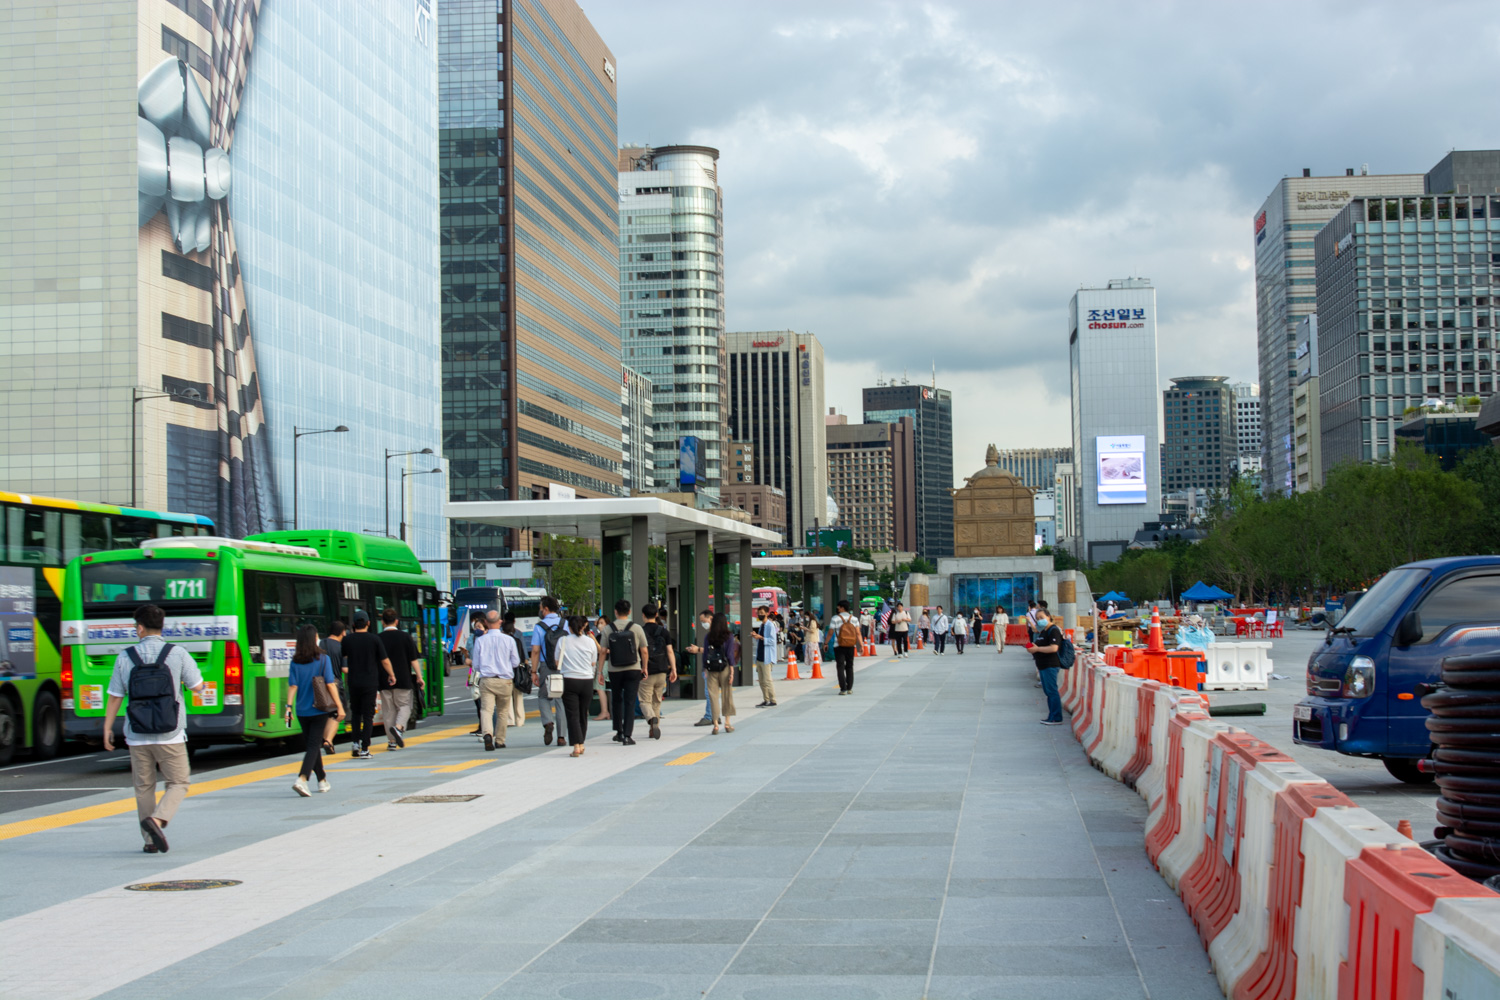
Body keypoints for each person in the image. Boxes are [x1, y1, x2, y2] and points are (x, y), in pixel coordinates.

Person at [101, 604, 207, 853]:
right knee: (179, 782)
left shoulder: (125, 656)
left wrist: (107, 728)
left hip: (137, 734)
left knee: (144, 787)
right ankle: (157, 820)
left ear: (139, 627)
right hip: (170, 733)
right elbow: (197, 686)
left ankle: (149, 842)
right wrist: (199, 687)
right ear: (162, 626)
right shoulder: (177, 653)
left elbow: (115, 696)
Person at [286, 624, 343, 796]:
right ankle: (302, 779)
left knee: (313, 745)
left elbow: (293, 686)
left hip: (301, 710)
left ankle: (322, 780)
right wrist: (339, 706)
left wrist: (288, 707)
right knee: (313, 746)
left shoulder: (295, 661)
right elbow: (330, 684)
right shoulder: (323, 659)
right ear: (314, 639)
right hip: (319, 709)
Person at [340, 611, 394, 758]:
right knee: (368, 716)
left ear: (353, 624)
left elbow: (343, 655)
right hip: (370, 682)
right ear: (368, 623)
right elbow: (384, 660)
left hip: (353, 682)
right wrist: (391, 674)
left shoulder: (347, 640)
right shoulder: (374, 639)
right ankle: (365, 748)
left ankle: (355, 744)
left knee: (356, 714)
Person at [600, 600, 649, 745]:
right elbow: (644, 651)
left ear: (615, 612)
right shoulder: (637, 628)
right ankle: (628, 735)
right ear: (629, 612)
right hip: (633, 668)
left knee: (616, 699)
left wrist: (599, 672)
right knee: (630, 701)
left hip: (614, 669)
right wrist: (644, 667)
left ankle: (619, 732)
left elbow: (603, 651)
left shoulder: (608, 629)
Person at [471, 609, 520, 750]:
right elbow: (515, 662)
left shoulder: (480, 641)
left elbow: (476, 665)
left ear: (486, 622)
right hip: (505, 680)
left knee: (486, 710)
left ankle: (487, 734)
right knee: (502, 712)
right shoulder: (509, 640)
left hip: (487, 680)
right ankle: (500, 740)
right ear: (500, 621)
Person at [376, 608, 424, 751]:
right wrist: (419, 677)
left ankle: (391, 742)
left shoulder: (378, 638)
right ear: (396, 621)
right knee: (404, 706)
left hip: (384, 679)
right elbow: (413, 660)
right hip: (403, 678)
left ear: (382, 622)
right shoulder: (405, 637)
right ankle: (398, 728)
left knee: (388, 711)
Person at [556, 614, 600, 756]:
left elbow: (557, 662)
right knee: (583, 713)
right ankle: (581, 743)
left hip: (569, 679)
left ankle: (576, 745)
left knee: (572, 714)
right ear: (583, 626)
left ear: (569, 627)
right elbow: (593, 662)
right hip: (587, 680)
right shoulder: (590, 642)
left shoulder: (563, 641)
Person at [529, 595, 568, 747]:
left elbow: (535, 650)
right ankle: (561, 737)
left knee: (543, 696)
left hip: (546, 666)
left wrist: (533, 672)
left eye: (540, 608)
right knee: (561, 699)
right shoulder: (565, 624)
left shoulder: (539, 627)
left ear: (545, 609)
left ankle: (548, 722)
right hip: (563, 666)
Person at [638, 602, 677, 740]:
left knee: (644, 701)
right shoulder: (664, 631)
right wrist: (674, 669)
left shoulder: (640, 631)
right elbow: (670, 651)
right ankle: (653, 728)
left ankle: (651, 718)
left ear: (643, 615)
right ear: (656, 615)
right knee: (657, 700)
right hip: (662, 670)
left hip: (646, 671)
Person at [701, 612, 737, 733]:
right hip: (724, 668)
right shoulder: (728, 636)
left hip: (711, 669)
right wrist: (732, 670)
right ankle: (727, 723)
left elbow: (706, 654)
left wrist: (705, 668)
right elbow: (730, 654)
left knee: (713, 696)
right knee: (727, 695)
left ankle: (715, 724)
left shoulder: (708, 636)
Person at [1031, 607, 1065, 725]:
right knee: (1048, 692)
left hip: (1050, 665)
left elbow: (1054, 648)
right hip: (1043, 665)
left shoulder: (1053, 630)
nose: (1039, 620)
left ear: (1048, 617)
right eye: (1037, 618)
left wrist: (1037, 649)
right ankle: (1052, 715)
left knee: (1052, 691)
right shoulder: (1044, 631)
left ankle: (1056, 717)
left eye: (1042, 617)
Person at [683, 608, 716, 727]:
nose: (703, 624)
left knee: (709, 693)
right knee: (712, 693)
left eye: (703, 621)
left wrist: (698, 649)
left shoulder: (714, 634)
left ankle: (709, 716)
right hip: (710, 667)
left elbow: (713, 650)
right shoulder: (712, 634)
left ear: (710, 618)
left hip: (711, 668)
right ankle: (715, 716)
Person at [318, 620, 347, 753]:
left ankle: (326, 741)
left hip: (320, 684)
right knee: (337, 714)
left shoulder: (321, 643)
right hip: (335, 683)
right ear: (343, 632)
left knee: (327, 714)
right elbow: (345, 669)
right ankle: (328, 740)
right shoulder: (341, 647)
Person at [500, 611, 527, 733]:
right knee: (518, 696)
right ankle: (520, 719)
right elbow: (524, 654)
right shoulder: (518, 637)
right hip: (518, 671)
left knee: (507, 697)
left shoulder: (501, 640)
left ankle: (510, 719)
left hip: (506, 671)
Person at [828, 600, 860, 695]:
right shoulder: (854, 619)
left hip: (839, 645)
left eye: (838, 607)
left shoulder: (835, 618)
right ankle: (849, 688)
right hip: (851, 645)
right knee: (849, 666)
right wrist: (861, 645)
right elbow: (858, 633)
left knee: (840, 666)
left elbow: (830, 632)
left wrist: (825, 643)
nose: (837, 608)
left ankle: (843, 689)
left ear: (842, 608)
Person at [753, 606, 779, 707]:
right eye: (759, 613)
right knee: (761, 681)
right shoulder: (762, 625)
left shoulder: (770, 625)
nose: (760, 615)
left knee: (767, 680)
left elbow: (772, 640)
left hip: (766, 657)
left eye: (762, 613)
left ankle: (773, 700)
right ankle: (766, 699)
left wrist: (761, 638)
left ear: (767, 613)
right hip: (760, 657)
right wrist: (756, 636)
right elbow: (761, 639)